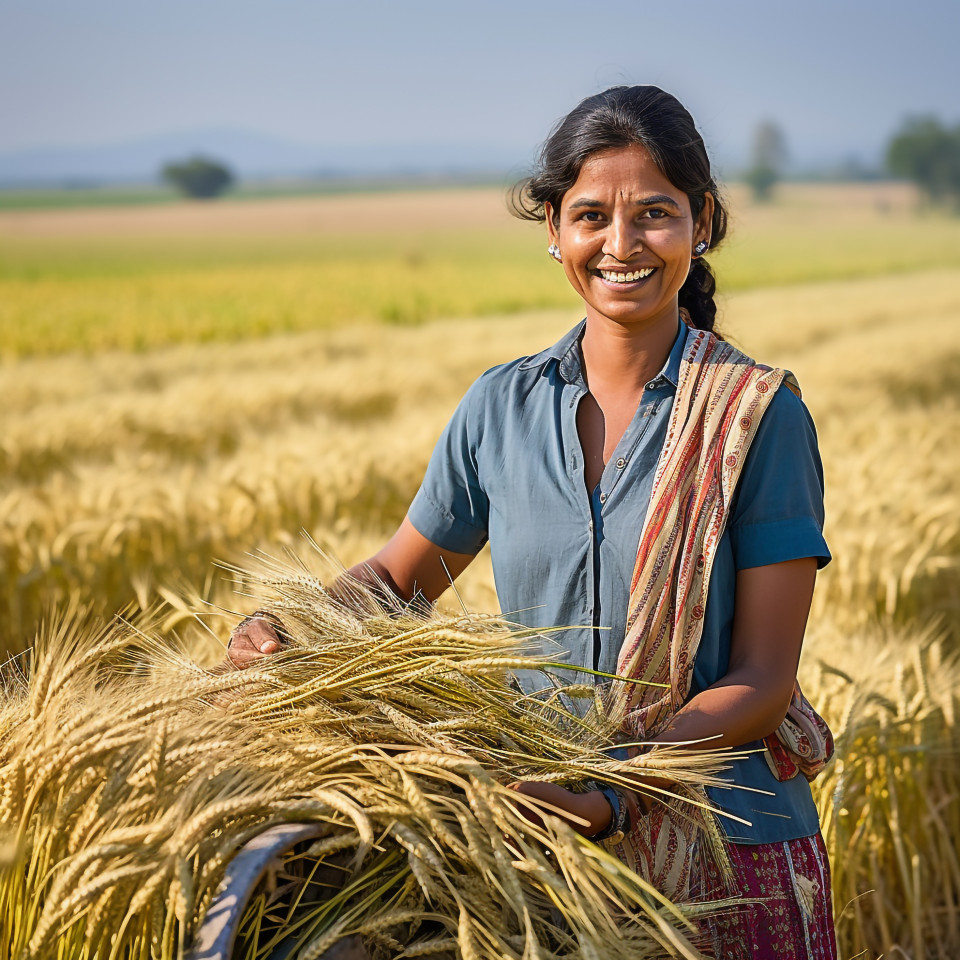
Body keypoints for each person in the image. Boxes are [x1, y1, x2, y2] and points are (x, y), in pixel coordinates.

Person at [228, 85, 838, 959]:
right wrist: (296, 628)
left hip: (727, 858)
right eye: (591, 215)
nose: (621, 245)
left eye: (655, 215)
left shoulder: (757, 418)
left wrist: (613, 791)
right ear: (553, 230)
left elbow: (764, 680)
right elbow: (400, 580)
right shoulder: (500, 408)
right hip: (543, 855)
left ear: (701, 223)